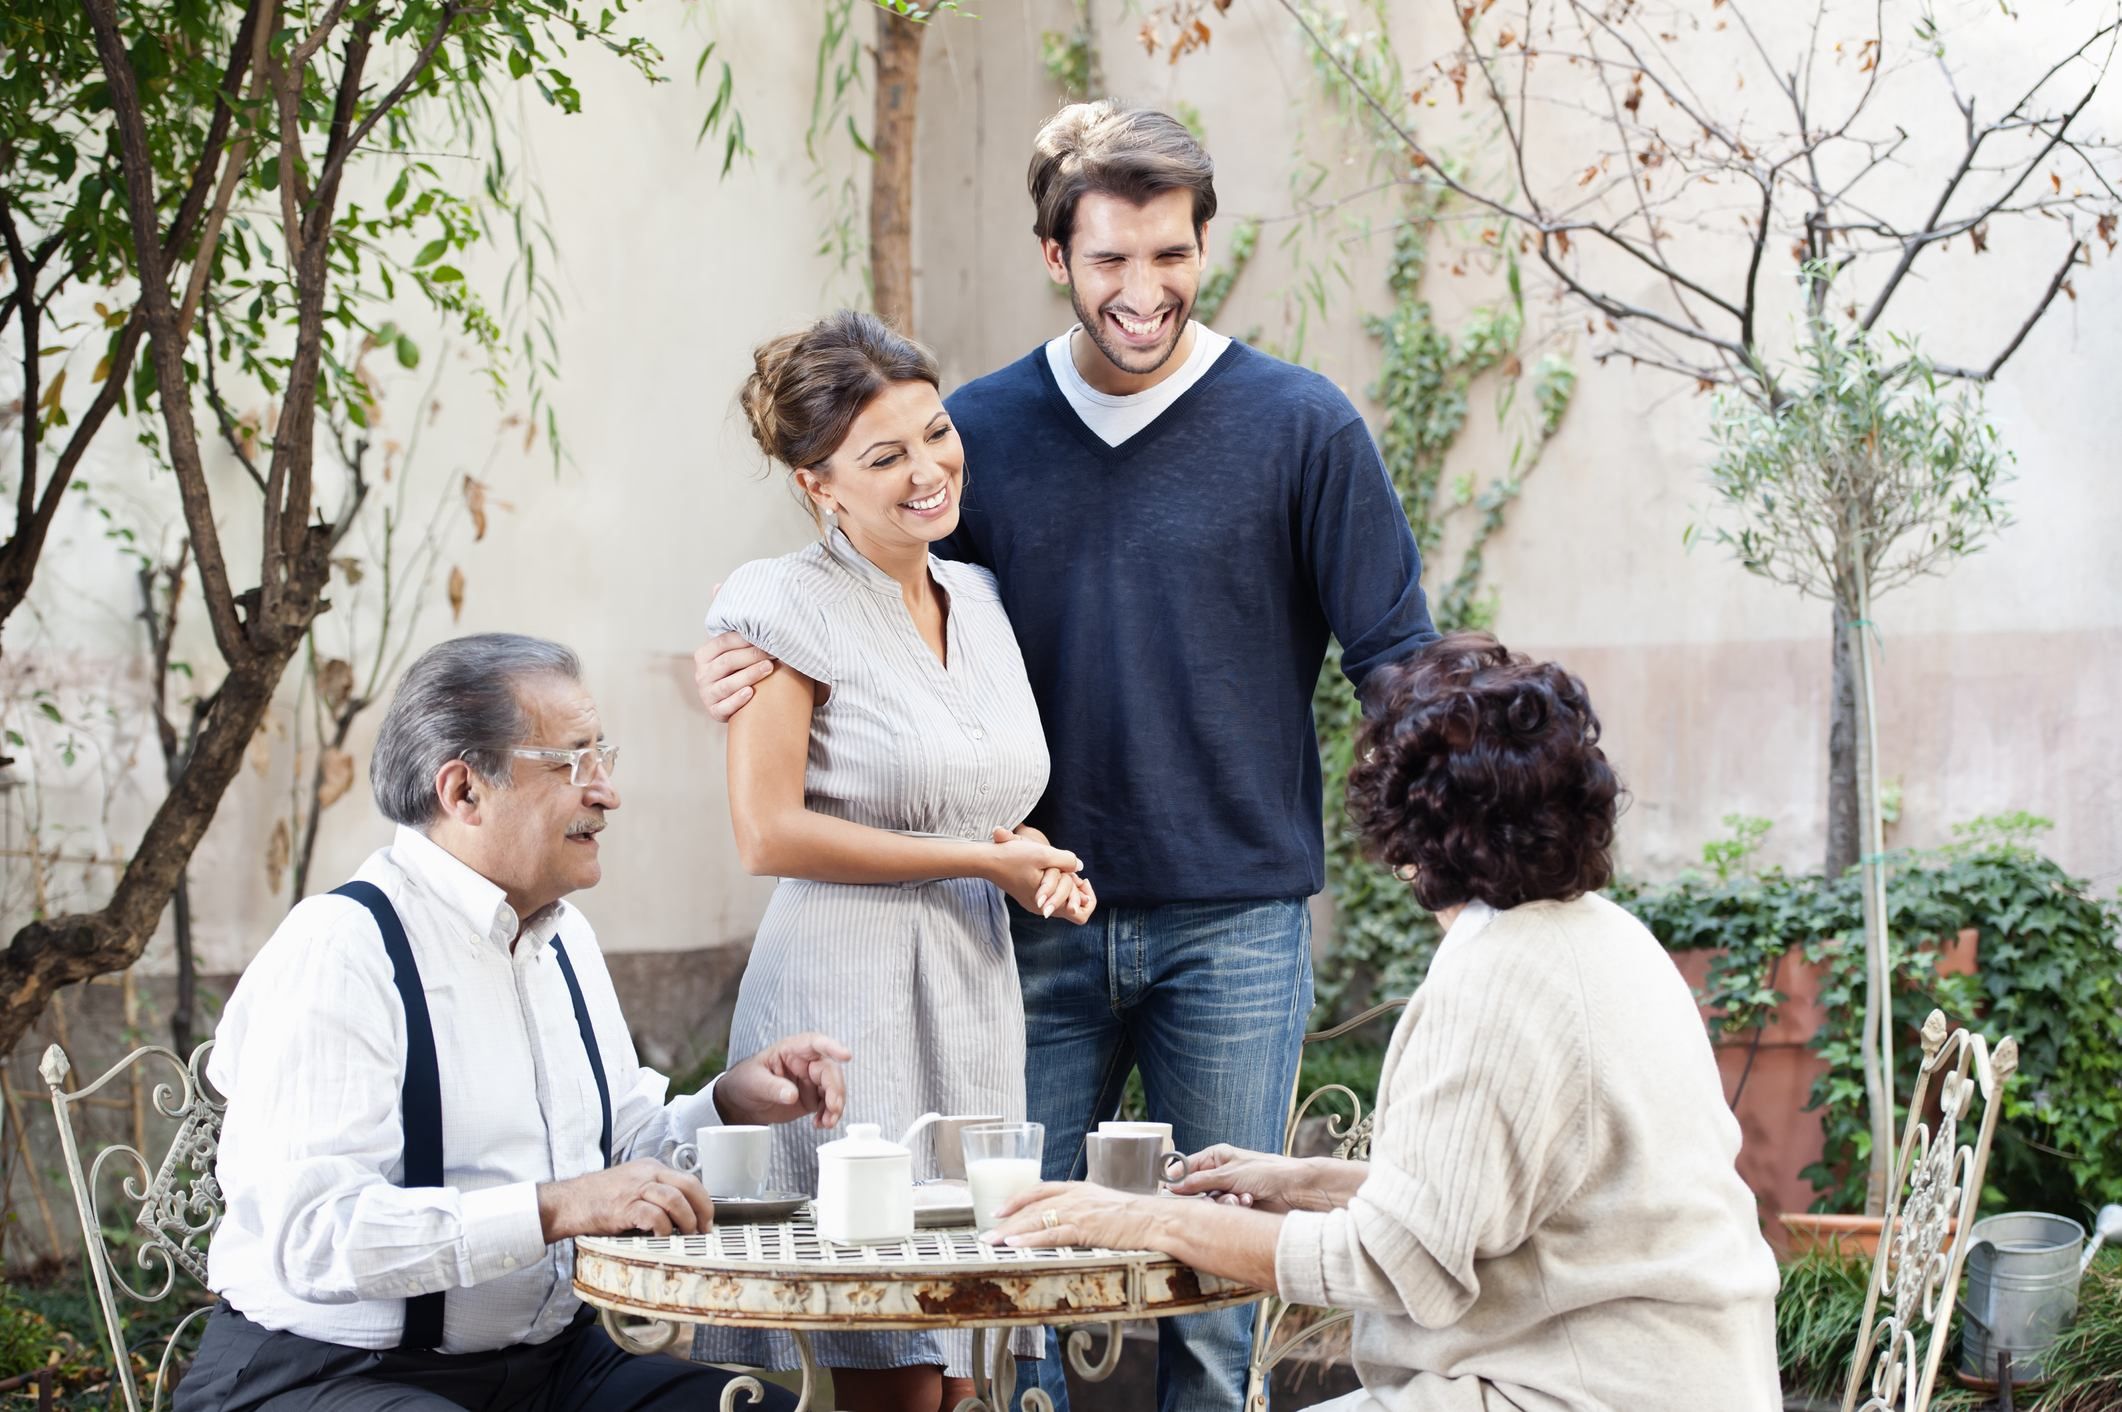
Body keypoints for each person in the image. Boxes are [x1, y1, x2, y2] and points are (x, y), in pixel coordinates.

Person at [695, 102, 1436, 1412]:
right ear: (1057, 256)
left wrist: (1465, 852)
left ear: (1203, 245)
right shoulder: (975, 437)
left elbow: (1397, 659)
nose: (1141, 290)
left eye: (1168, 254)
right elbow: (873, 628)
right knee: (1007, 1285)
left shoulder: (1300, 428)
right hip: (1019, 930)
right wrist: (745, 664)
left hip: (1237, 927)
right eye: (1109, 259)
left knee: (1209, 1298)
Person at [989, 633, 1785, 1412]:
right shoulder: (1607, 937)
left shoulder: (1497, 980)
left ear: (1406, 832)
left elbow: (1404, 1261)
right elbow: (1481, 1208)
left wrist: (1141, 1217)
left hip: (1578, 1390)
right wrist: (1301, 1181)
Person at [179, 634, 850, 1412]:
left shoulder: (564, 938)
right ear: (464, 792)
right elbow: (315, 1234)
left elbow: (617, 1158)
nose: (607, 792)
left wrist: (729, 1104)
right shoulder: (340, 951)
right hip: (331, 1375)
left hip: (552, 1368)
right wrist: (556, 1207)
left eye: (605, 757)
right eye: (572, 763)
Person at [688, 310, 1094, 1412]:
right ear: (820, 484)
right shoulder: (779, 602)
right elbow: (766, 829)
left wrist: (1028, 857)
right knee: (888, 1360)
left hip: (969, 980)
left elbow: (981, 797)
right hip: (845, 989)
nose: (928, 470)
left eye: (935, 433)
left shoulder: (983, 600)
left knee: (967, 1344)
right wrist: (978, 855)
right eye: (884, 456)